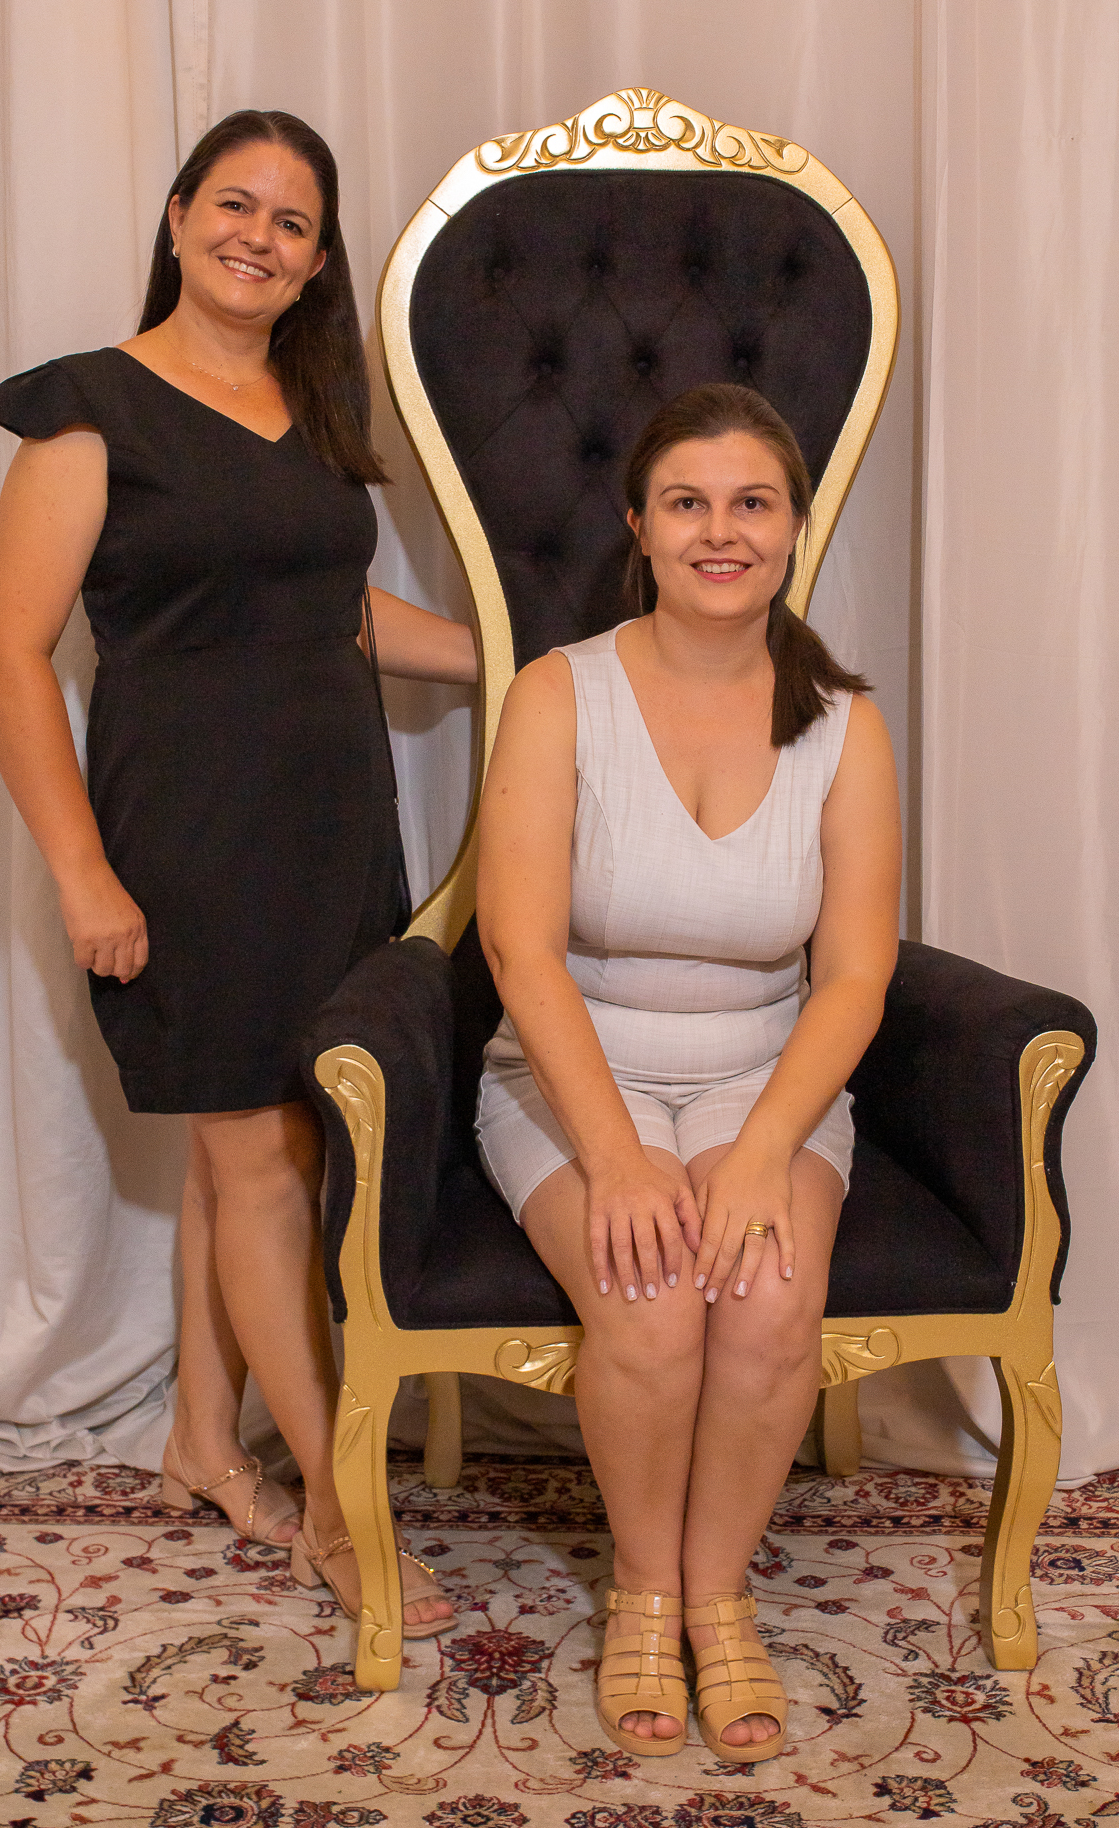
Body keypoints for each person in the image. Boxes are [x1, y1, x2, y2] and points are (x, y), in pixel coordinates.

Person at [0, 110, 473, 1637]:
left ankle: (202, 1438)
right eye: (235, 205)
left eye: (292, 222)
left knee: (259, 1147)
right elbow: (6, 654)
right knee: (261, 1156)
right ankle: (336, 1507)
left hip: (331, 827)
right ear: (181, 215)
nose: (259, 236)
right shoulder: (90, 410)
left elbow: (338, 608)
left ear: (316, 264)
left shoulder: (309, 408)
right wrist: (83, 874)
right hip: (185, 839)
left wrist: (518, 664)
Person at [475, 383, 900, 1760]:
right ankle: (643, 1596)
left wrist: (765, 1150)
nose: (721, 531)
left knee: (767, 1298)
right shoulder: (559, 694)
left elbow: (854, 975)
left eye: (751, 502)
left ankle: (720, 1597)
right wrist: (614, 1158)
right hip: (569, 1070)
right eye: (687, 503)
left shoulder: (845, 725)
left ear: (792, 527)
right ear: (639, 527)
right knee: (652, 1302)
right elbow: (518, 948)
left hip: (761, 1077)